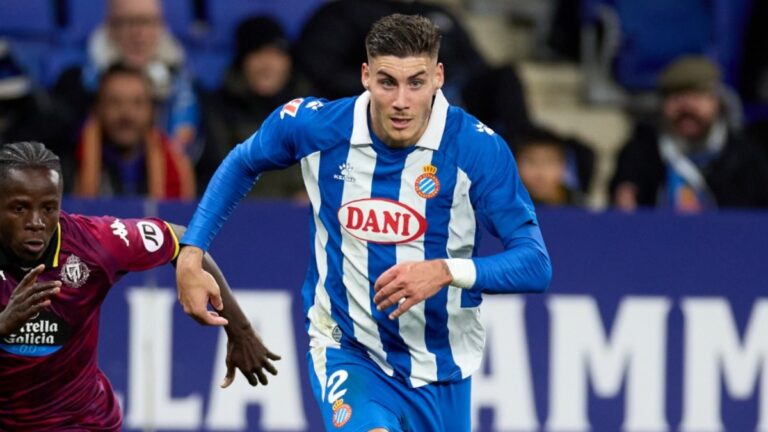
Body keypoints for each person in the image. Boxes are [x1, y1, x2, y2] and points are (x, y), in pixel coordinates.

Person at [176, 14, 551, 431]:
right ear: (366, 75)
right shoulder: (318, 127)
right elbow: (243, 162)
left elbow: (535, 263)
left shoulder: (476, 150)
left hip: (443, 367)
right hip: (347, 348)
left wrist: (446, 272)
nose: (402, 101)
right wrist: (192, 251)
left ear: (438, 77)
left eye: (417, 82)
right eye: (388, 82)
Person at [0, 141, 280, 431]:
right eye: (19, 208)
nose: (35, 222)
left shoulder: (95, 244)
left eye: (48, 208)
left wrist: (241, 331)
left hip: (82, 422)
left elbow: (183, 240)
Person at [294, 0, 532, 147]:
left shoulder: (438, 14)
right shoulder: (342, 13)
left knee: (504, 78)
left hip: (452, 97)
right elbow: (322, 69)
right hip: (380, 103)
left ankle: (526, 155)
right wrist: (385, 88)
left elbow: (476, 64)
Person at [611, 56, 768, 212]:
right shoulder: (640, 154)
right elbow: (625, 210)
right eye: (676, 97)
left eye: (696, 96)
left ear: (716, 101)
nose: (686, 107)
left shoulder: (748, 158)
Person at [53, 0, 201, 161]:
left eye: (148, 22)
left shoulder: (188, 89)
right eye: (128, 22)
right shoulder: (76, 86)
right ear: (109, 27)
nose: (139, 33)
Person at [201, 16, 310, 199]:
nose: (268, 64)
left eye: (277, 54)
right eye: (258, 53)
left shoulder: (310, 109)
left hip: (302, 221)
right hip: (244, 219)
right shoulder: (218, 110)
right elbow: (220, 181)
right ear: (242, 61)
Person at [72, 63, 195, 199]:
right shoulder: (69, 167)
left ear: (153, 112)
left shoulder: (175, 167)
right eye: (115, 102)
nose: (127, 114)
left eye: (138, 103)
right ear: (97, 109)